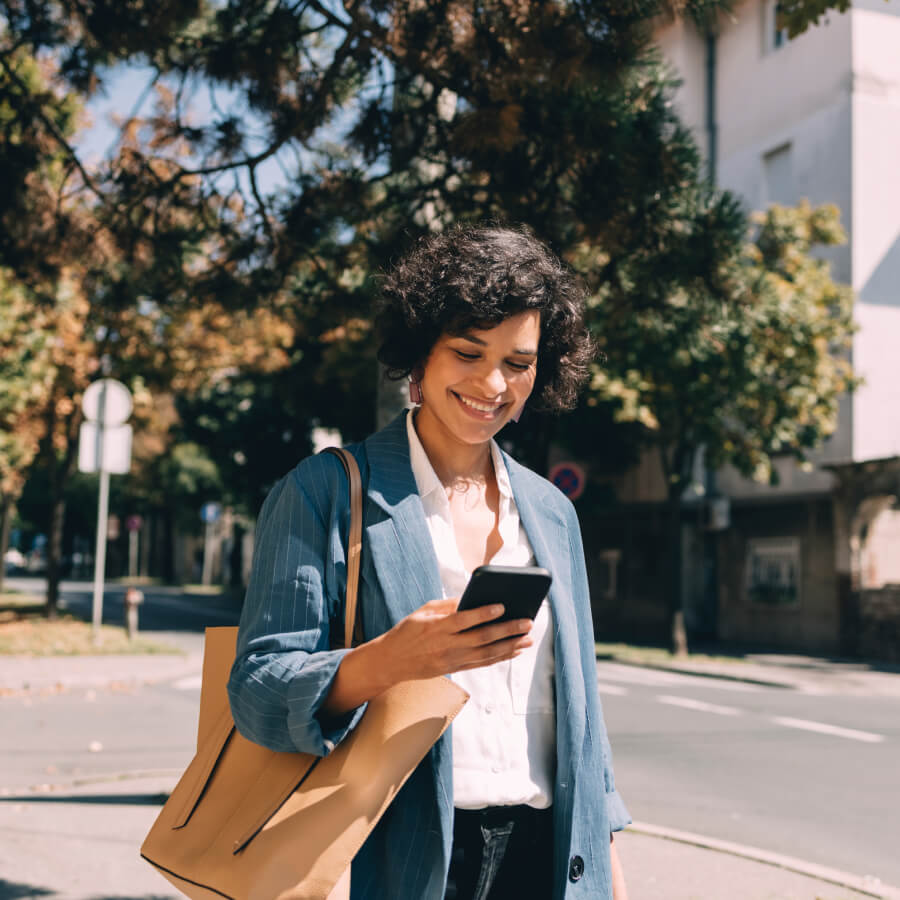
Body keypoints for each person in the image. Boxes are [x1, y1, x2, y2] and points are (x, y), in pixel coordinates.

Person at [228, 225, 630, 899]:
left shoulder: (552, 512)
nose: (493, 382)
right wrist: (388, 661)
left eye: (519, 362)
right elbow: (259, 691)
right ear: (420, 355)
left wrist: (610, 871)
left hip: (547, 856)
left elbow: (581, 715)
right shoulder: (323, 491)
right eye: (468, 352)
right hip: (399, 859)